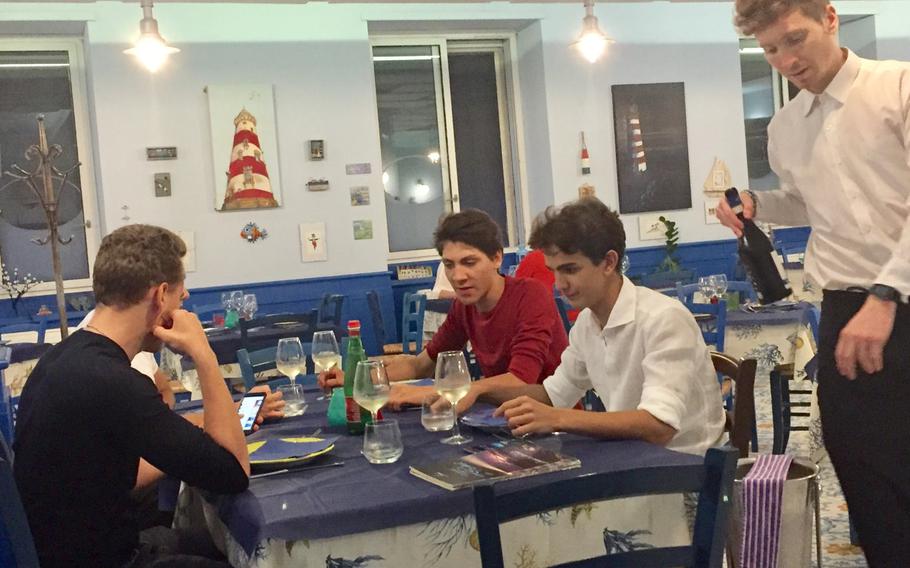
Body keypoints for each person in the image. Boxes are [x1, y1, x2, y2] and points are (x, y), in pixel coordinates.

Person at [717, 0, 910, 562]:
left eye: (794, 39)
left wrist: (887, 293)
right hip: (849, 307)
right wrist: (759, 203)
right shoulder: (785, 127)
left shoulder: (896, 87)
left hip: (892, 297)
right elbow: (810, 202)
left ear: (830, 17)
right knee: (863, 469)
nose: (785, 59)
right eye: (770, 49)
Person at [14, 225, 250, 568]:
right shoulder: (113, 381)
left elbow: (104, 472)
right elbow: (233, 473)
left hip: (67, 551)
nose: (184, 308)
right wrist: (203, 354)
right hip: (106, 560)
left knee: (220, 541)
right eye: (181, 298)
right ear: (160, 295)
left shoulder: (63, 357)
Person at [487, 199, 725, 455]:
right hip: (633, 460)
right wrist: (473, 392)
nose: (559, 284)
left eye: (570, 269)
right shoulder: (586, 324)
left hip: (687, 472)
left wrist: (556, 418)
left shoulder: (664, 318)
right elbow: (552, 394)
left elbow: (659, 426)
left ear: (609, 262)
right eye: (553, 271)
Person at [319, 209, 568, 409]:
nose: (458, 276)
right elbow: (421, 366)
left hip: (557, 425)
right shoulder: (464, 307)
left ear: (497, 258)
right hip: (502, 420)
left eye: (469, 262)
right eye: (449, 265)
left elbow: (519, 380)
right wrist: (358, 379)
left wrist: (429, 391)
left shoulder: (530, 295)